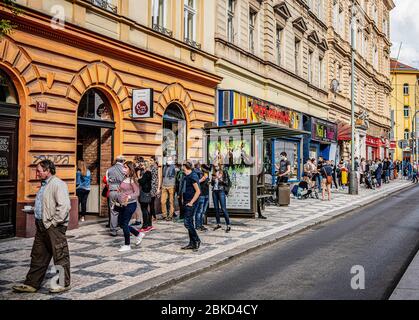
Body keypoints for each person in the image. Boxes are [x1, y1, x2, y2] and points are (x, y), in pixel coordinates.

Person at [12, 160, 71, 294]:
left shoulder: (58, 184)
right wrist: (34, 210)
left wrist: (54, 222)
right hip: (41, 225)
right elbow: (46, 205)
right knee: (38, 255)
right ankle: (32, 284)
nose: (37, 174)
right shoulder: (44, 185)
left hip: (53, 226)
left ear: (48, 170)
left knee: (60, 255)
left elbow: (64, 207)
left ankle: (63, 283)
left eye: (39, 171)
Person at [115, 161, 144, 252]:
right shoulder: (124, 178)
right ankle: (138, 234)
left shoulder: (132, 179)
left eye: (125, 167)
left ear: (130, 169)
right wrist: (119, 190)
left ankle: (127, 245)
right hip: (123, 204)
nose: (123, 169)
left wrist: (129, 196)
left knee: (124, 223)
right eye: (123, 167)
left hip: (130, 204)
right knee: (121, 223)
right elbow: (123, 189)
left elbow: (137, 192)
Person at [181, 161, 201, 251]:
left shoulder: (193, 176)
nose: (182, 167)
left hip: (191, 202)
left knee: (187, 223)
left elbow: (198, 191)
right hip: (186, 201)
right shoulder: (186, 175)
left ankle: (196, 240)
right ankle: (192, 243)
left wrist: (191, 202)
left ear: (185, 166)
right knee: (190, 223)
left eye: (183, 165)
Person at [106, 155, 126, 236]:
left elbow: (107, 181)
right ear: (123, 161)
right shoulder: (125, 169)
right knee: (125, 210)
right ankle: (125, 227)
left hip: (112, 191)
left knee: (113, 211)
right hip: (122, 192)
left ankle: (113, 230)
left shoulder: (109, 170)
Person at [211, 163, 232, 233]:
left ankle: (228, 225)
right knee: (216, 208)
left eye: (217, 166)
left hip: (221, 191)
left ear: (219, 166)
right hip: (214, 192)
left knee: (223, 208)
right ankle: (218, 224)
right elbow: (212, 184)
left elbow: (228, 182)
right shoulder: (214, 173)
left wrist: (220, 179)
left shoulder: (224, 172)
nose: (216, 167)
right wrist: (213, 180)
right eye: (215, 166)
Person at [138, 161, 154, 233]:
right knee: (146, 210)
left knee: (144, 209)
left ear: (145, 166)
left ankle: (145, 226)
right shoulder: (149, 173)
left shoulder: (146, 173)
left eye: (142, 165)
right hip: (147, 192)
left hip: (144, 192)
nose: (141, 166)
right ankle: (149, 224)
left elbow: (141, 181)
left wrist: (138, 178)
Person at [194, 163, 210, 231]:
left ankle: (201, 225)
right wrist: (203, 179)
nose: (207, 171)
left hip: (206, 194)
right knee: (199, 211)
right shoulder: (198, 173)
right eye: (206, 169)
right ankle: (198, 225)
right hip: (201, 195)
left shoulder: (206, 174)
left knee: (203, 211)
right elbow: (196, 182)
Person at [161, 156, 176, 221]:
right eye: (167, 159)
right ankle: (164, 215)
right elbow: (163, 176)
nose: (168, 161)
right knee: (162, 201)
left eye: (169, 160)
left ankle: (170, 215)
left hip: (171, 186)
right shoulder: (164, 167)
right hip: (164, 186)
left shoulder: (174, 167)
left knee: (171, 202)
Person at [150, 155, 160, 222]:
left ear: (154, 161)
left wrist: (158, 188)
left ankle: (153, 216)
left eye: (151, 160)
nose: (150, 161)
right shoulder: (150, 167)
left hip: (154, 187)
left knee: (151, 202)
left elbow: (159, 178)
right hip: (150, 186)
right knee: (151, 202)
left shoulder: (157, 168)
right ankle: (153, 216)